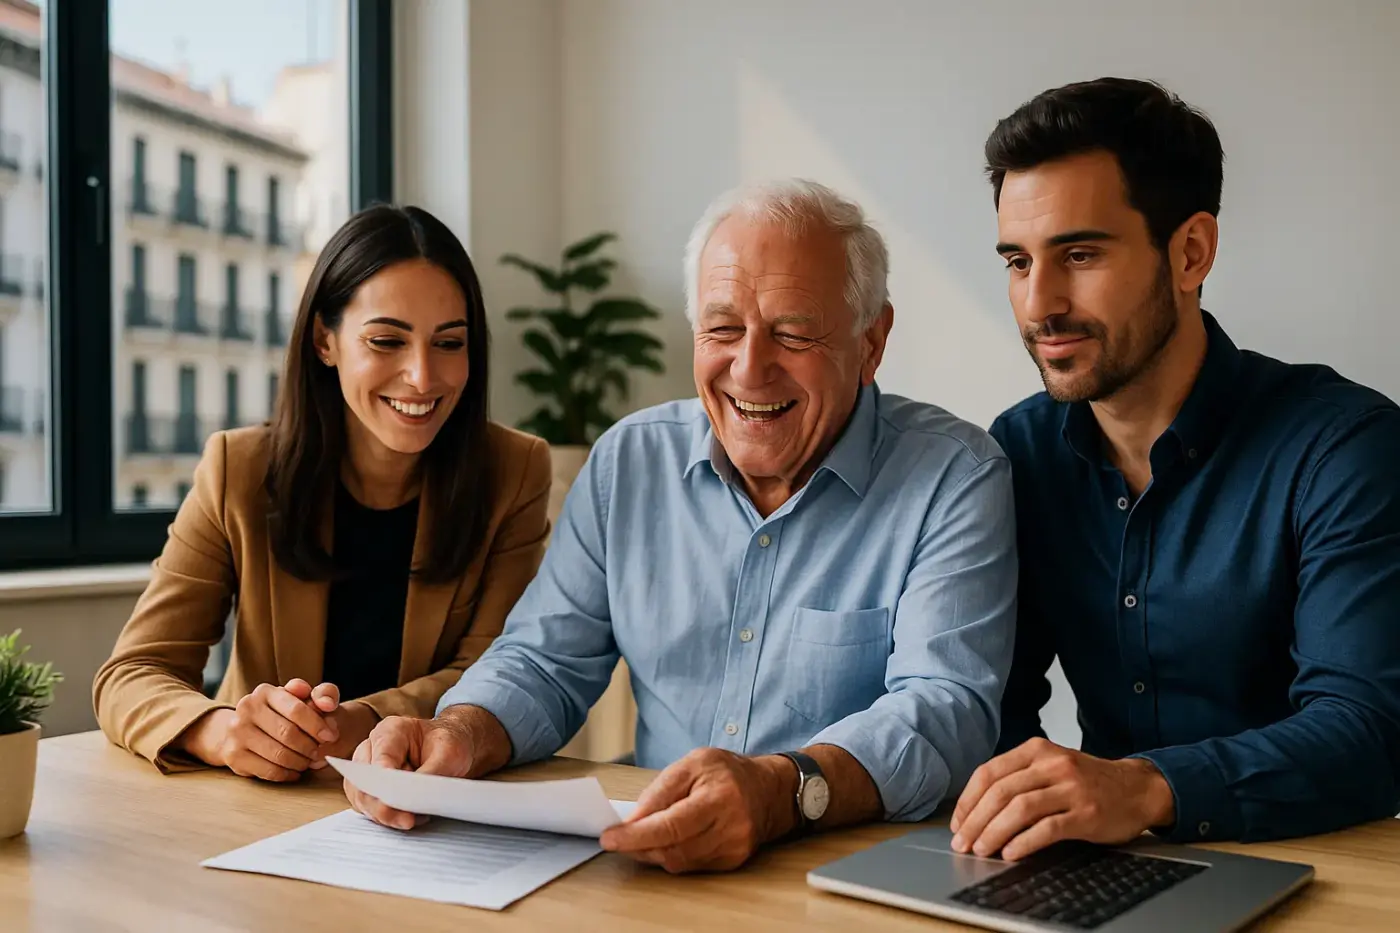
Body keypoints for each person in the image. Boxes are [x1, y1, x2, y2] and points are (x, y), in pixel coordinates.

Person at [341, 179, 1018, 873]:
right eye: (723, 329)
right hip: (655, 863)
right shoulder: (629, 460)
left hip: (858, 874)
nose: (750, 368)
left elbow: (943, 710)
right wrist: (457, 730)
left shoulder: (955, 477)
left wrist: (780, 791)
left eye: (792, 332)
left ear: (871, 342)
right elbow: (545, 659)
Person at [950, 77, 1400, 863]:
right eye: (1018, 261)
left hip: (1318, 870)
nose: (1039, 303)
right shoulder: (1019, 449)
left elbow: (1368, 725)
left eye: (1080, 254)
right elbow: (994, 699)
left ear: (1190, 252)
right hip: (1096, 867)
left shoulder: (1343, 447)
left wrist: (1145, 787)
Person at [93, 204, 552, 781]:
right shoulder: (239, 468)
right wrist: (222, 730)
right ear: (324, 341)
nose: (423, 376)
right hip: (261, 800)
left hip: (425, 795)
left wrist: (360, 721)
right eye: (387, 341)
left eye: (449, 343)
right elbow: (132, 673)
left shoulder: (514, 469)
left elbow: (496, 670)